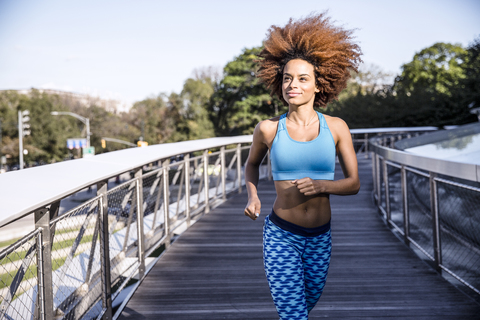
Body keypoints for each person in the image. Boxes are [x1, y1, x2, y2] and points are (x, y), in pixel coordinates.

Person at [244, 13, 362, 319]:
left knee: (305, 304)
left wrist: (323, 185)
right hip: (282, 234)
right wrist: (253, 196)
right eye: (286, 78)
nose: (292, 84)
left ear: (318, 86)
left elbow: (354, 183)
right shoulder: (268, 129)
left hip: (321, 236)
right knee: (294, 315)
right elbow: (251, 166)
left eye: (302, 78)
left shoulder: (336, 127)